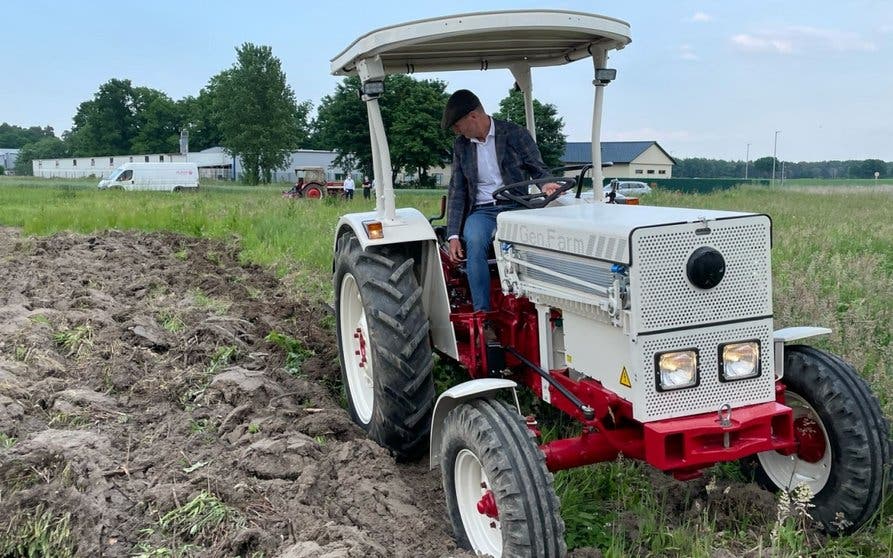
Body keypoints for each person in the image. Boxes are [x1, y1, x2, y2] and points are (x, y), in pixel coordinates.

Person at [443, 89, 558, 315]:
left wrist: (546, 185)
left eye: (457, 125)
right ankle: (483, 314)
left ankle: (543, 307)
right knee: (474, 243)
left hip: (516, 207)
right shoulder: (462, 146)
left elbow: (537, 167)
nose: (456, 131)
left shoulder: (515, 134)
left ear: (473, 117)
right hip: (482, 211)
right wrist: (453, 234)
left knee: (545, 241)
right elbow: (457, 189)